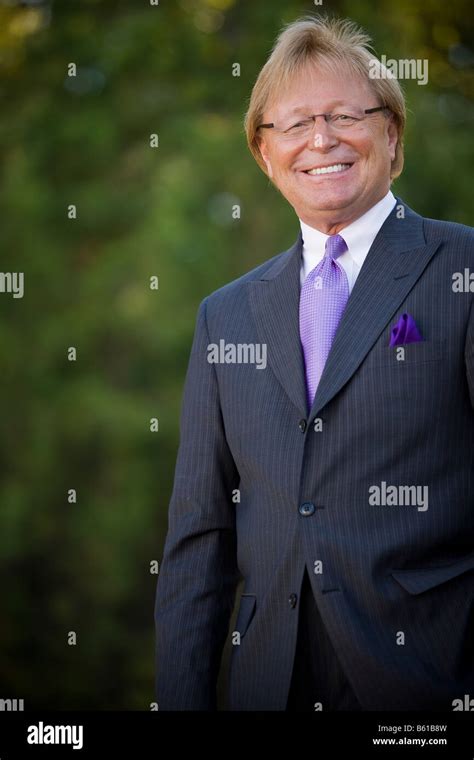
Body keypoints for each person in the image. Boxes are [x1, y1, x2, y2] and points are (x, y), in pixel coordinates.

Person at [154, 14, 474, 711]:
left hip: (431, 681)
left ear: (391, 133)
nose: (320, 140)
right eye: (293, 125)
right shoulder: (226, 315)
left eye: (342, 116)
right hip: (269, 685)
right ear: (265, 157)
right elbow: (199, 538)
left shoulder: (464, 269)